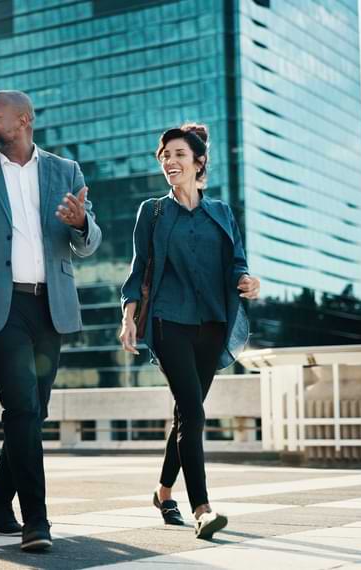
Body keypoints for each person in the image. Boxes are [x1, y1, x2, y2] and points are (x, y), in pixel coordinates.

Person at [0, 90, 102, 552]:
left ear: (24, 119)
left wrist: (79, 223)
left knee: (35, 411)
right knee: (22, 409)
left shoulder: (64, 171)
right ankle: (37, 520)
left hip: (50, 306)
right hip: (0, 307)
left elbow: (87, 243)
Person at [118, 123, 259, 540]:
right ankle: (203, 508)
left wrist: (248, 280)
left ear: (198, 162)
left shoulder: (221, 212)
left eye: (178, 154)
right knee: (194, 413)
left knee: (186, 414)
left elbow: (237, 262)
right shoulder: (154, 212)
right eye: (164, 156)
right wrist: (129, 316)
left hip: (213, 323)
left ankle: (164, 493)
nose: (169, 162)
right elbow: (138, 268)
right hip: (168, 322)